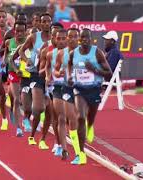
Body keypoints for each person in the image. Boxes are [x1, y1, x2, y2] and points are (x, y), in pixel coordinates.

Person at [67, 28, 112, 165]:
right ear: (79, 39)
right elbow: (69, 65)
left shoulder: (97, 53)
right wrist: (69, 76)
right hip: (79, 88)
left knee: (90, 116)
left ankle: (91, 126)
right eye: (82, 38)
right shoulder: (73, 53)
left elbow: (109, 73)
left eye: (87, 37)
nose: (84, 40)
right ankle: (81, 153)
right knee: (80, 116)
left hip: (94, 88)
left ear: (91, 39)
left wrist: (94, 69)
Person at [18, 13, 52, 145]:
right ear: (40, 23)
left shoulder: (54, 38)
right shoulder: (33, 37)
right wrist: (27, 60)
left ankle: (45, 137)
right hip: (34, 74)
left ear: (50, 23)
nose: (45, 24)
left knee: (50, 110)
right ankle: (31, 126)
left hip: (49, 76)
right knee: (36, 108)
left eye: (48, 21)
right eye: (43, 21)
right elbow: (21, 51)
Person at [54, 27, 81, 163]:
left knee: (76, 119)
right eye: (70, 36)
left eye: (75, 36)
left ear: (79, 38)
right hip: (66, 89)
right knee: (66, 118)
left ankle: (78, 149)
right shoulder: (61, 54)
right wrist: (60, 74)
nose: (72, 39)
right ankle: (68, 150)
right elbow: (56, 70)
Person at [40, 23, 64, 152]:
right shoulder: (47, 51)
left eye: (60, 36)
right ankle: (58, 143)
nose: (57, 38)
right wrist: (48, 76)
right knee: (56, 117)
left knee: (67, 117)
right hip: (53, 88)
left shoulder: (70, 51)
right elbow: (42, 70)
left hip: (68, 86)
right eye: (54, 36)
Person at [5, 21, 28, 136]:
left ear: (25, 32)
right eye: (17, 31)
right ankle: (19, 128)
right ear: (14, 31)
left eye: (22, 31)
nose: (19, 33)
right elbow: (7, 57)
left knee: (25, 101)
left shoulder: (29, 43)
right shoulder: (9, 42)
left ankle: (25, 117)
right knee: (17, 99)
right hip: (13, 72)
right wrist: (7, 64)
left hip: (26, 74)